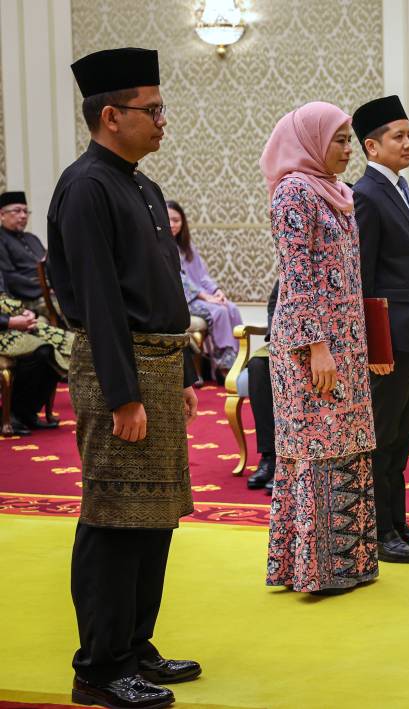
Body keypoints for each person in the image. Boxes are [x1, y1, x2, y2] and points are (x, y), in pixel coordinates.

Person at [47, 47, 202, 708]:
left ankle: (135, 647)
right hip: (122, 372)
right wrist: (124, 394)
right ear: (111, 116)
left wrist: (187, 371)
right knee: (114, 518)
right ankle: (99, 667)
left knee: (154, 516)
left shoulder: (141, 183)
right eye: (153, 109)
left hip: (160, 368)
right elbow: (100, 299)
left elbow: (169, 286)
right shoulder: (86, 187)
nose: (163, 120)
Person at [259, 101, 378, 594]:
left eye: (350, 139)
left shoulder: (339, 193)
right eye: (340, 140)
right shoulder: (294, 194)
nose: (348, 150)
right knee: (313, 449)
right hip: (311, 347)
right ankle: (314, 569)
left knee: (346, 446)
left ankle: (349, 562)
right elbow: (299, 275)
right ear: (310, 141)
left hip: (345, 342)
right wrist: (317, 347)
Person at [353, 95, 409, 564]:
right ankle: (380, 529)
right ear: (372, 146)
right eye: (398, 136)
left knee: (403, 436)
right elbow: (363, 280)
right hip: (389, 341)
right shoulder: (365, 195)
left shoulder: (401, 190)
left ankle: (399, 522)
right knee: (383, 436)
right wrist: (374, 346)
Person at [166, 199, 243, 376]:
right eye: (168, 219)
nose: (172, 224)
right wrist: (206, 297)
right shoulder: (162, 248)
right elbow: (181, 281)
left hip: (200, 297)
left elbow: (202, 276)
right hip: (182, 300)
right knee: (220, 312)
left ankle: (237, 360)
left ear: (183, 221)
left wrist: (216, 291)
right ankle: (224, 366)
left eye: (176, 220)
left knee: (231, 308)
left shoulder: (188, 247)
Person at [0, 272, 70, 435]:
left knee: (66, 344)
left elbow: (7, 294)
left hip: (9, 322)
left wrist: (25, 313)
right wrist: (9, 322)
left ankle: (26, 413)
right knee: (44, 351)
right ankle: (13, 414)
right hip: (4, 327)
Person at [246, 280, 279, 492]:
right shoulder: (290, 265)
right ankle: (269, 457)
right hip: (282, 340)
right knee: (258, 364)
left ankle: (290, 463)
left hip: (319, 345)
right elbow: (274, 305)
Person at [0, 190, 49, 315]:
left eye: (26, 211)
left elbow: (49, 264)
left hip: (52, 290)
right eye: (17, 211)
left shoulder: (32, 238)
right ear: (2, 215)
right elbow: (9, 277)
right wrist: (44, 288)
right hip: (29, 297)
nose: (23, 216)